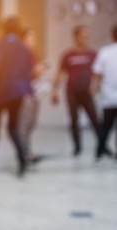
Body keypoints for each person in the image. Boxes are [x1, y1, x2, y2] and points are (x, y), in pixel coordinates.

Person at [0, 17, 32, 177]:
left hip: (2, 92)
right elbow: (28, 70)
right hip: (18, 92)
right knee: (13, 127)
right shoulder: (24, 47)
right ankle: (21, 159)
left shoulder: (0, 45)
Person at [51, 25, 101, 157]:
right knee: (74, 120)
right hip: (72, 92)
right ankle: (77, 147)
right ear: (76, 37)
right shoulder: (68, 55)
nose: (86, 39)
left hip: (86, 92)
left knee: (95, 119)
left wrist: (95, 85)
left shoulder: (92, 54)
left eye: (88, 36)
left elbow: (98, 73)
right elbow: (59, 73)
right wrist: (54, 91)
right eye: (84, 36)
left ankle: (102, 145)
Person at [18, 28, 49, 164]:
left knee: (31, 123)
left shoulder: (31, 54)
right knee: (24, 124)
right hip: (25, 92)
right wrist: (38, 69)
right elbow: (25, 72)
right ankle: (24, 154)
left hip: (34, 91)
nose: (33, 41)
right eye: (31, 38)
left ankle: (27, 151)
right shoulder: (21, 54)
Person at [92, 24, 117, 161]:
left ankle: (98, 153)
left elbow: (97, 73)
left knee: (105, 127)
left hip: (108, 97)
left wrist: (94, 87)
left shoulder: (104, 52)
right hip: (110, 96)